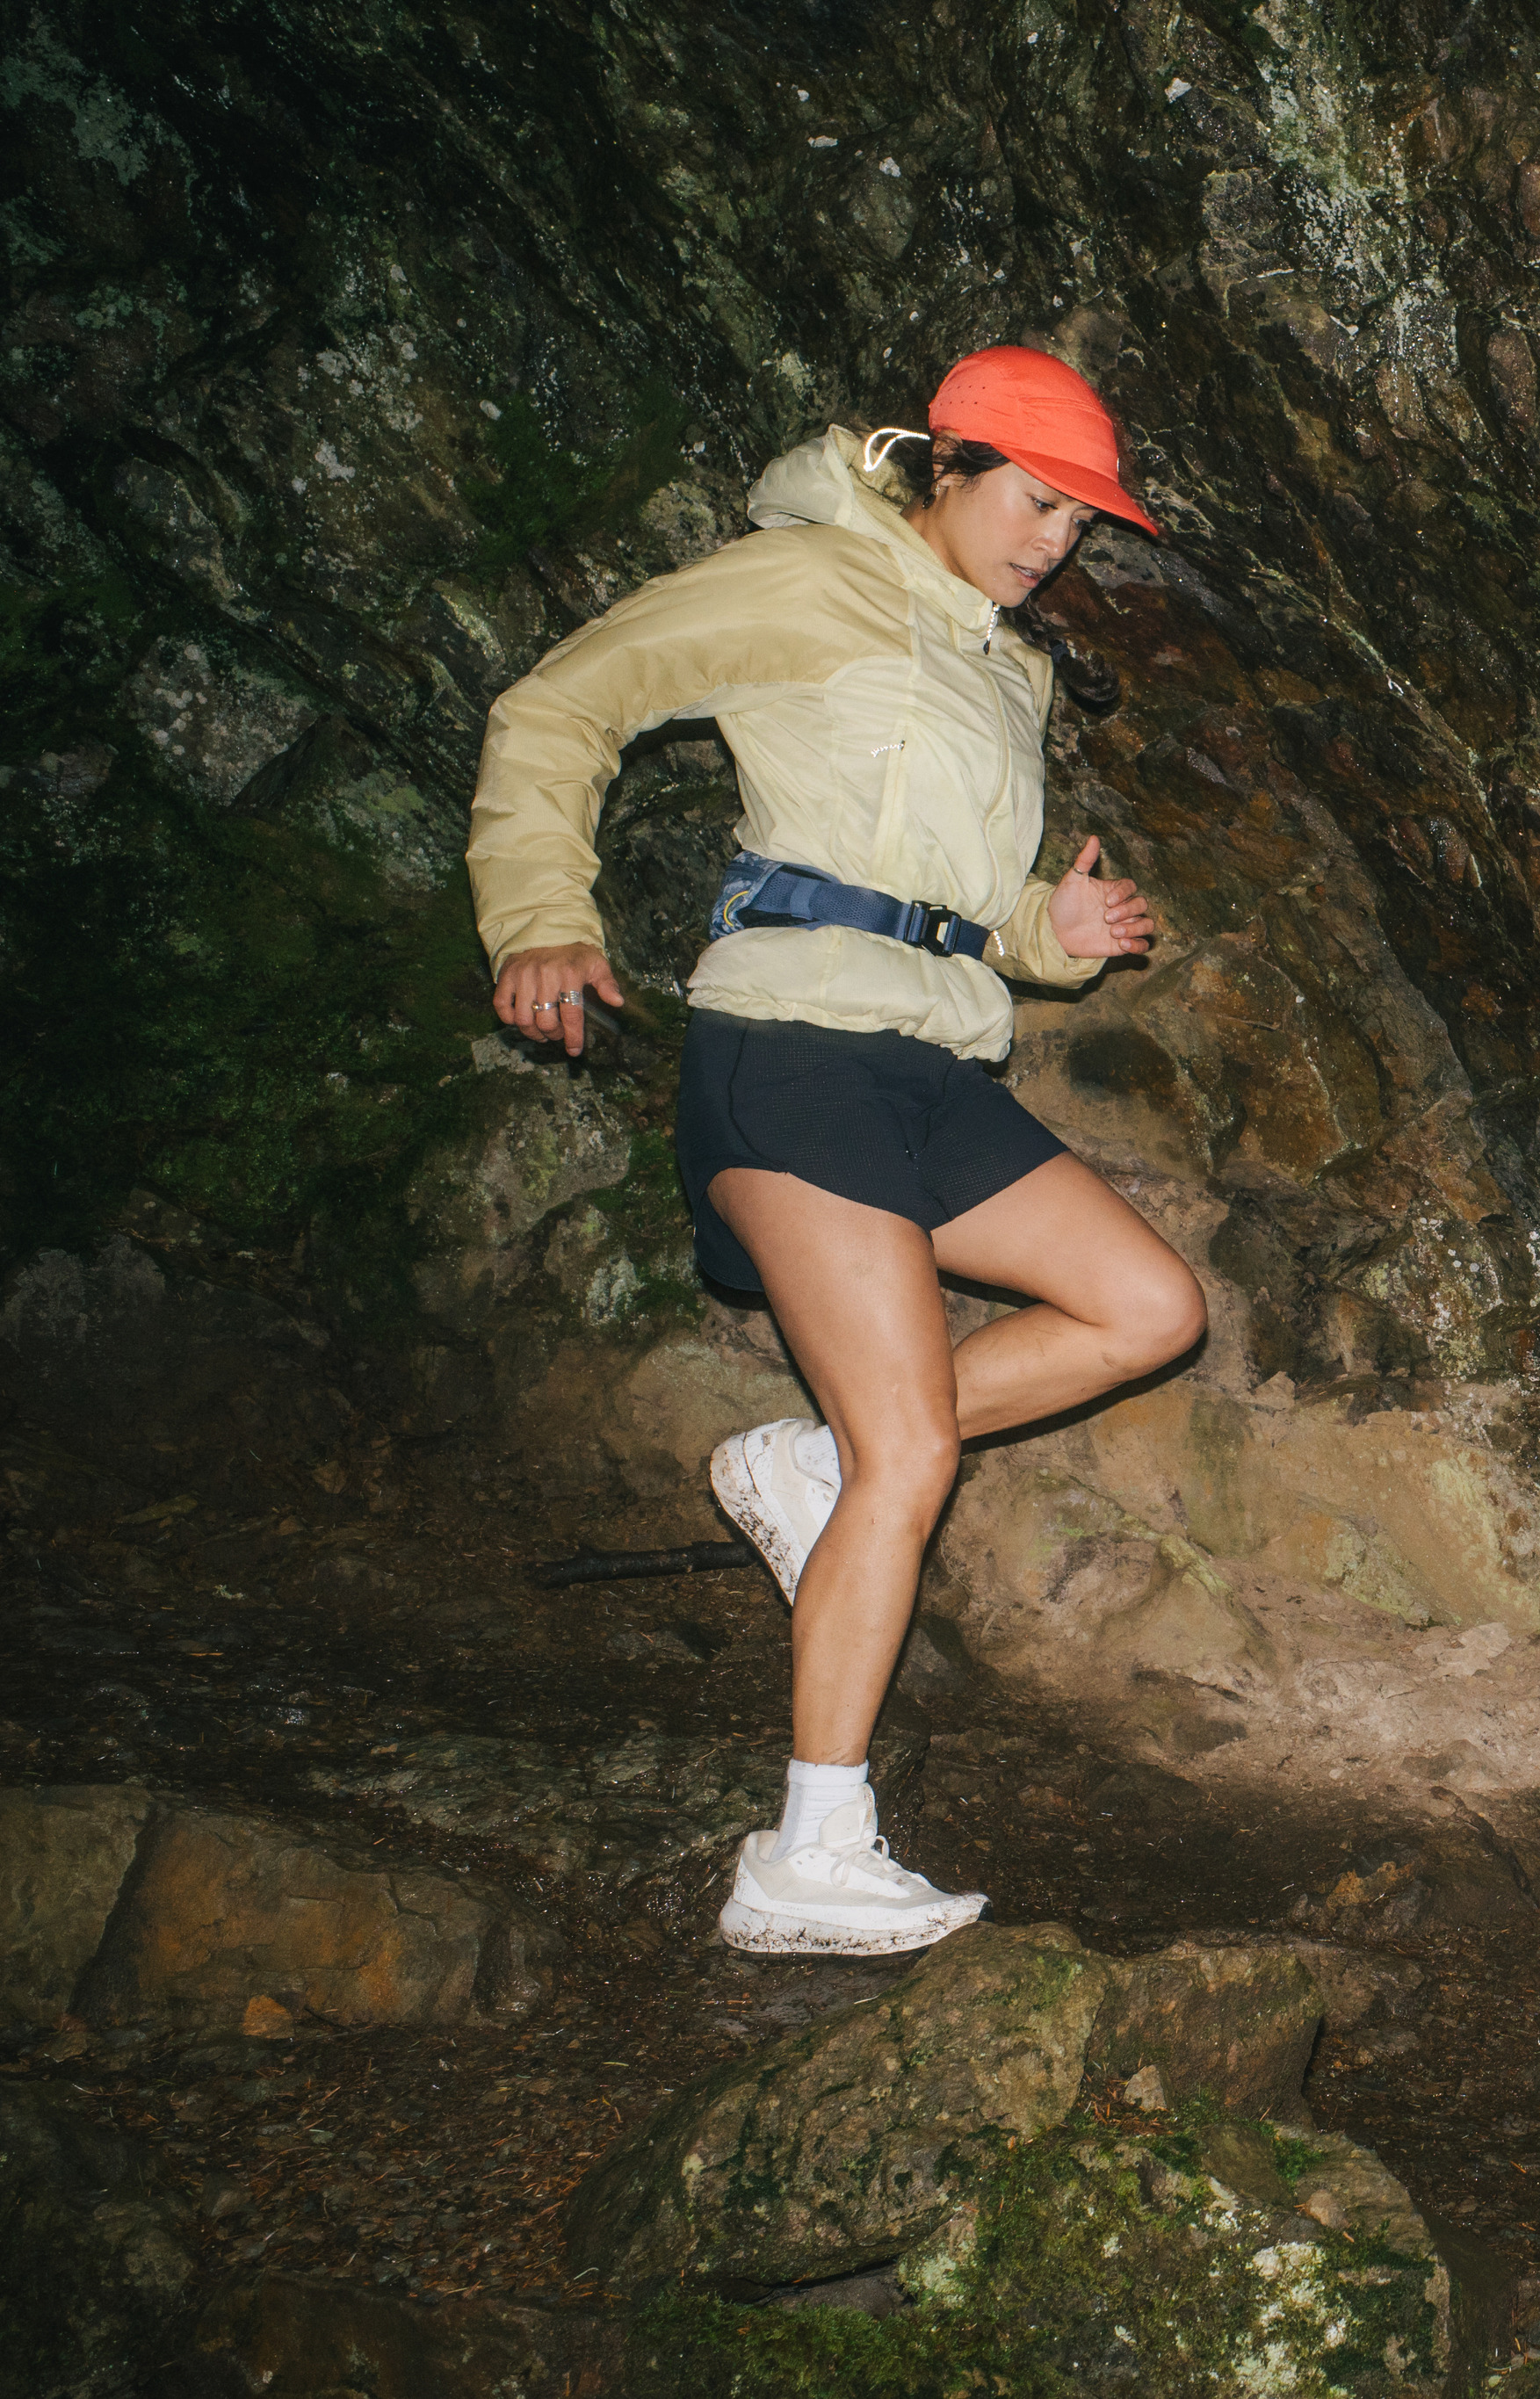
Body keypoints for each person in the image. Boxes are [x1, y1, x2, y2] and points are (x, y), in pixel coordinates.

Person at [465, 346, 1208, 1957]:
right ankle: (809, 1848)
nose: (1053, 543)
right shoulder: (803, 581)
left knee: (1150, 1308)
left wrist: (1051, 934)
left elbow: (952, 900)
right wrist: (540, 915)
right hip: (792, 1049)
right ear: (946, 465)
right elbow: (561, 705)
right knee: (915, 1451)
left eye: (1081, 521)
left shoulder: (1005, 670)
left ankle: (804, 1464)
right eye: (1034, 499)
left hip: (928, 1062)